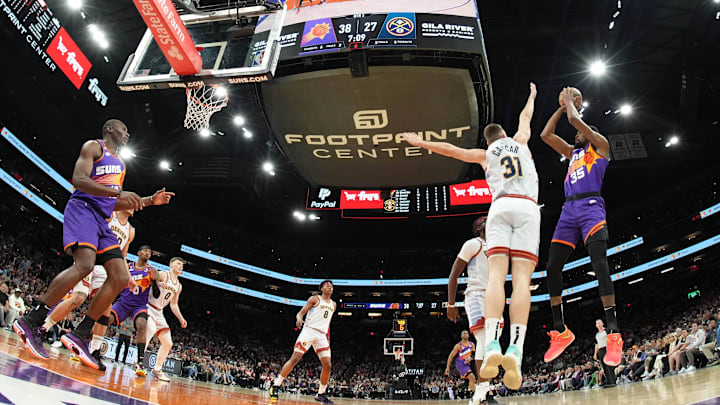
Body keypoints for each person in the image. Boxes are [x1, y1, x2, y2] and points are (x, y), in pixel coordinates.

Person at [401, 82, 539, 391]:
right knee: (520, 282)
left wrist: (420, 141)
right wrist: (531, 96)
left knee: (495, 277)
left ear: (489, 140)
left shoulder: (485, 153)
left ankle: (491, 345)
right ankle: (514, 347)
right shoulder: (520, 142)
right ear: (504, 135)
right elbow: (526, 118)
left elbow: (451, 150)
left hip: (499, 208)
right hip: (528, 208)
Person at [13, 119, 174, 370]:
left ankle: (81, 334)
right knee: (85, 264)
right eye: (124, 128)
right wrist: (115, 193)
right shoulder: (94, 147)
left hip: (102, 220)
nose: (128, 132)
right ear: (109, 129)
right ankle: (33, 320)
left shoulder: (120, 165)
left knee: (120, 277)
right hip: (83, 210)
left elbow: (116, 203)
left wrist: (150, 200)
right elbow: (78, 179)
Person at [539, 88, 623, 366]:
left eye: (579, 133)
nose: (575, 135)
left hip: (590, 207)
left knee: (599, 263)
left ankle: (613, 333)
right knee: (552, 267)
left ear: (590, 132)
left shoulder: (600, 147)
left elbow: (577, 123)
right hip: (568, 210)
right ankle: (560, 330)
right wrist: (562, 108)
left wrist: (571, 105)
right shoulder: (573, 153)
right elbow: (546, 135)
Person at [41, 209, 135, 362]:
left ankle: (94, 349)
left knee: (105, 309)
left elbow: (122, 256)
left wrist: (129, 277)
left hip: (106, 269)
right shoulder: (109, 215)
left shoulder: (130, 231)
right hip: (89, 261)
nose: (134, 207)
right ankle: (42, 328)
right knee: (78, 298)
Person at [446, 216, 498, 404]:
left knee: (493, 345)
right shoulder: (473, 244)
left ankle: (483, 392)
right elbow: (454, 275)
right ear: (478, 228)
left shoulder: (497, 248)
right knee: (484, 339)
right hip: (476, 295)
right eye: (484, 221)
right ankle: (482, 393)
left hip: (494, 297)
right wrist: (451, 305)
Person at [270, 280, 336, 404]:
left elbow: (328, 324)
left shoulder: (333, 304)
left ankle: (321, 394)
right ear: (321, 288)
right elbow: (301, 312)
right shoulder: (315, 299)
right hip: (309, 331)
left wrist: (327, 338)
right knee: (295, 358)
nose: (330, 287)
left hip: (322, 335)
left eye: (331, 286)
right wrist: (299, 319)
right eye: (327, 286)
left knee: (327, 364)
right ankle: (275, 385)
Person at [111, 245, 155, 376]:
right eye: (145, 251)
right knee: (105, 319)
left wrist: (155, 281)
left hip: (140, 306)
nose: (148, 253)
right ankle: (90, 347)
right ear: (138, 253)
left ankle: (140, 362)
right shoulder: (128, 267)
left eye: (150, 252)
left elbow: (156, 294)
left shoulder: (151, 270)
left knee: (142, 326)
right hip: (123, 303)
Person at [143, 257, 188, 382]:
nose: (181, 266)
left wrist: (181, 318)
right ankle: (138, 363)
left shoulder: (178, 286)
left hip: (159, 312)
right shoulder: (163, 274)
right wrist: (157, 282)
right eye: (178, 263)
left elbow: (173, 304)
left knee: (168, 343)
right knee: (149, 330)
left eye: (182, 264)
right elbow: (149, 279)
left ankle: (156, 369)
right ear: (171, 264)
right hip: (148, 307)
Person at [444, 331, 477, 403]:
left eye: (466, 333)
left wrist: (470, 358)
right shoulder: (458, 346)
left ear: (469, 335)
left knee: (474, 379)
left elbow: (473, 355)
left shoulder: (472, 344)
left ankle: (470, 392)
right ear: (461, 336)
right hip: (460, 364)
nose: (465, 334)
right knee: (472, 377)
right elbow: (451, 356)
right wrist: (447, 367)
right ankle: (472, 397)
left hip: (468, 364)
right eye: (463, 333)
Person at [593, 319, 616, 387]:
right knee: (604, 366)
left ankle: (613, 381)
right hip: (600, 350)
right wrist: (595, 353)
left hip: (607, 348)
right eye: (597, 323)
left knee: (609, 366)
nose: (599, 324)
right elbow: (596, 344)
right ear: (596, 325)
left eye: (600, 323)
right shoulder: (597, 334)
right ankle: (608, 381)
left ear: (602, 323)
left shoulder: (607, 331)